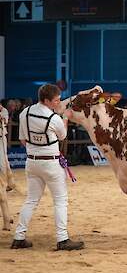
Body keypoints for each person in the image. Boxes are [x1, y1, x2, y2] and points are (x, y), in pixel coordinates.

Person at [11, 84, 84, 251]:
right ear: (46, 100)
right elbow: (63, 136)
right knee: (60, 201)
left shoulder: (25, 113)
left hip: (31, 162)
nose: (58, 103)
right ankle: (62, 238)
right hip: (51, 163)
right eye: (56, 100)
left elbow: (22, 140)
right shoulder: (54, 118)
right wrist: (65, 118)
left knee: (31, 200)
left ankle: (19, 237)